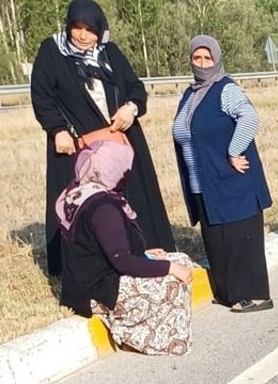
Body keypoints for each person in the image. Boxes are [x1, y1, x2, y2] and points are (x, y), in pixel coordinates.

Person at [30, 0, 176, 277]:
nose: (83, 36)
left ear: (100, 29)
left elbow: (135, 87)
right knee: (87, 205)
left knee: (133, 200)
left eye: (90, 29)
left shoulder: (110, 52)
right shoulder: (52, 51)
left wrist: (130, 108)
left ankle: (143, 256)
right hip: (79, 147)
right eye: (77, 28)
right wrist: (57, 129)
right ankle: (92, 269)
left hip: (121, 142)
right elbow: (42, 96)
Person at [57, 140, 194, 355]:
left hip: (88, 280)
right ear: (111, 170)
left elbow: (98, 247)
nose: (126, 174)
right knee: (174, 274)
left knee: (180, 259)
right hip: (100, 291)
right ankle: (137, 334)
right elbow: (122, 261)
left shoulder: (79, 192)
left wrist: (145, 254)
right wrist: (170, 268)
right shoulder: (103, 207)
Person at [171, 36, 274, 313]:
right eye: (197, 58)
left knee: (241, 237)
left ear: (217, 60)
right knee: (218, 239)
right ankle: (228, 293)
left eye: (208, 58)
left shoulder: (225, 90)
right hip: (204, 183)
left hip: (231, 179)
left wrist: (233, 151)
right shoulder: (191, 94)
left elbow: (249, 118)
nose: (203, 64)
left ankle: (256, 295)